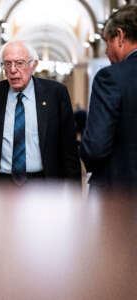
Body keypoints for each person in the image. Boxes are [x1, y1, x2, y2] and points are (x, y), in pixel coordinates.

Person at [0, 40, 81, 186]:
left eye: (20, 63)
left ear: (33, 65)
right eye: (7, 64)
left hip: (43, 183)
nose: (13, 70)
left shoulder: (56, 93)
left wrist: (74, 191)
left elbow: (69, 147)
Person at [80, 4, 137, 192]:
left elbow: (95, 146)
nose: (105, 51)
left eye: (107, 42)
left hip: (119, 192)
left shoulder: (111, 77)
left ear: (120, 36)